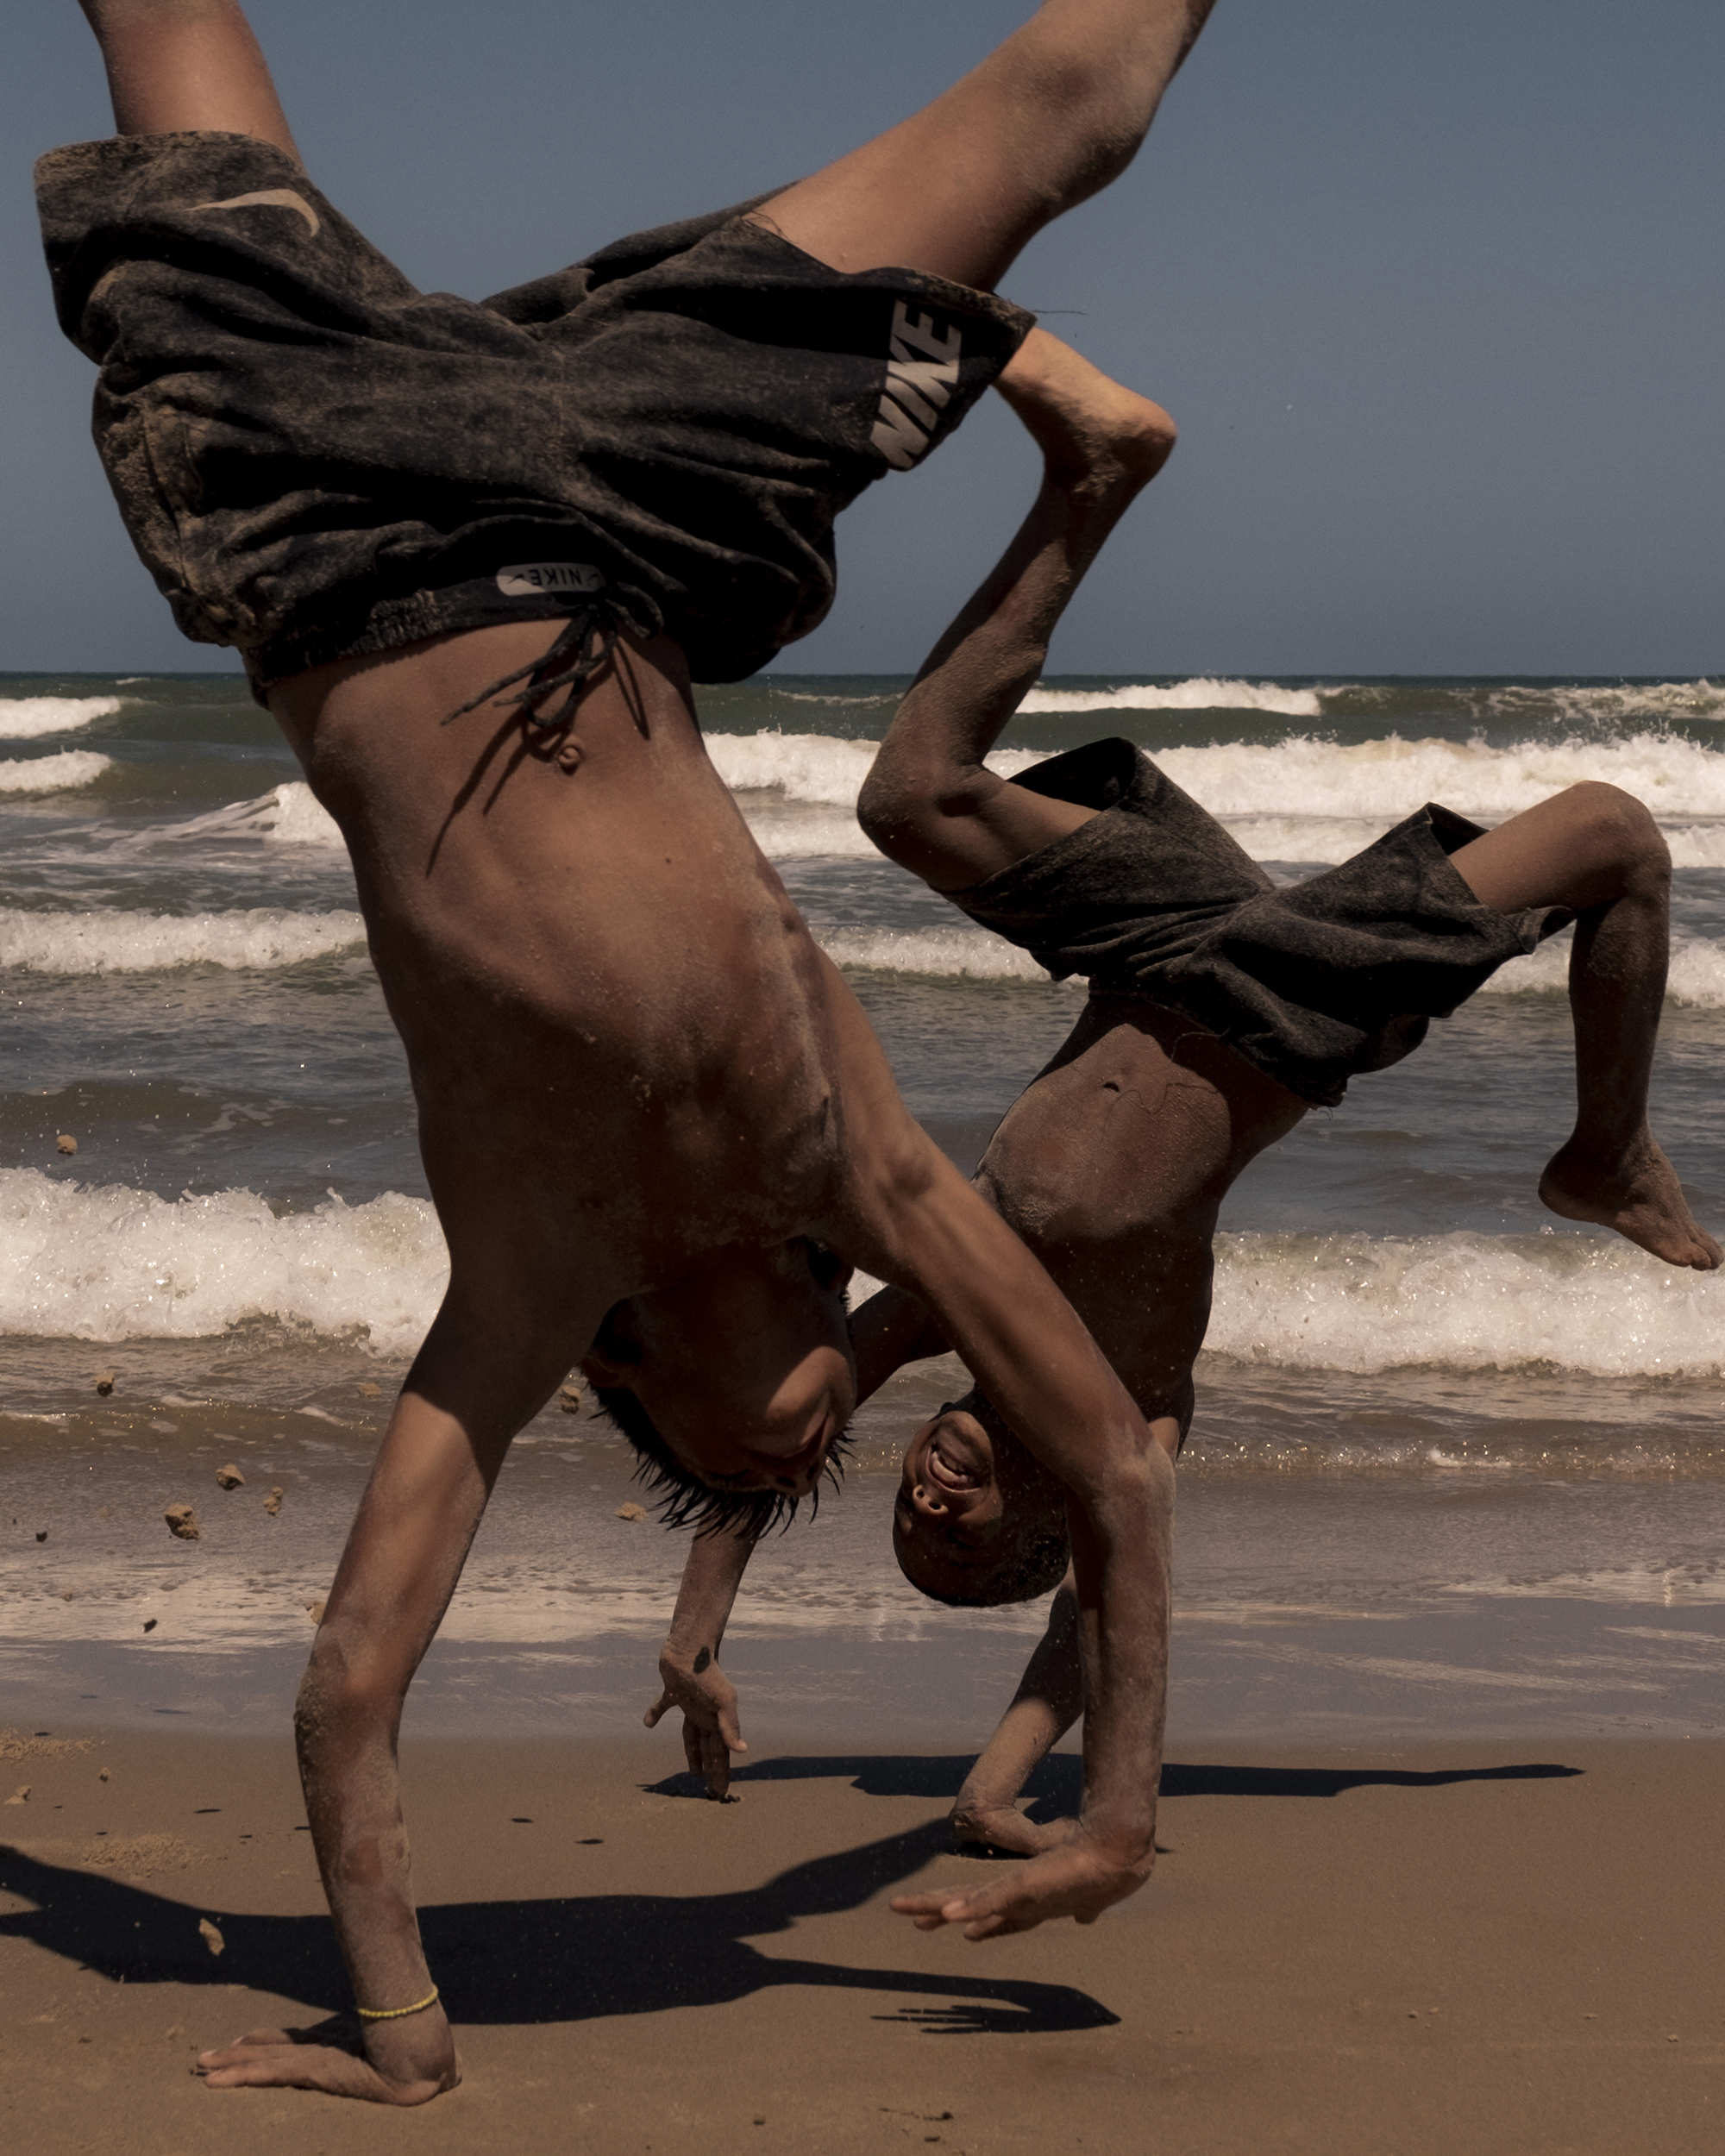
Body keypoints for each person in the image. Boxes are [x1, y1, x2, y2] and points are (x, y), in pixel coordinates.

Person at [42, 0, 1231, 2104]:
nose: (831, 1393)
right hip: (633, 501)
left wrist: (402, 2033)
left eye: (768, 1453)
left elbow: (346, 1690)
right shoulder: (852, 1166)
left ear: (637, 1378)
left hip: (337, 504)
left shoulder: (524, 1283)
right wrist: (1121, 1811)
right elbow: (1119, 1462)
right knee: (1083, 110)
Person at [643, 328, 1722, 1905]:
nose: (930, 1497)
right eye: (957, 1538)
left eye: (907, 1514)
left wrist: (692, 1636)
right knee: (1617, 839)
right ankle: (1603, 1152)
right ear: (1035, 1531)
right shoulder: (1125, 1412)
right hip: (1285, 1007)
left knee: (907, 798)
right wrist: (1033, 1802)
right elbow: (1093, 1640)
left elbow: (767, 1440)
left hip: (1152, 951)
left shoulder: (952, 1310)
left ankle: (1092, 480)